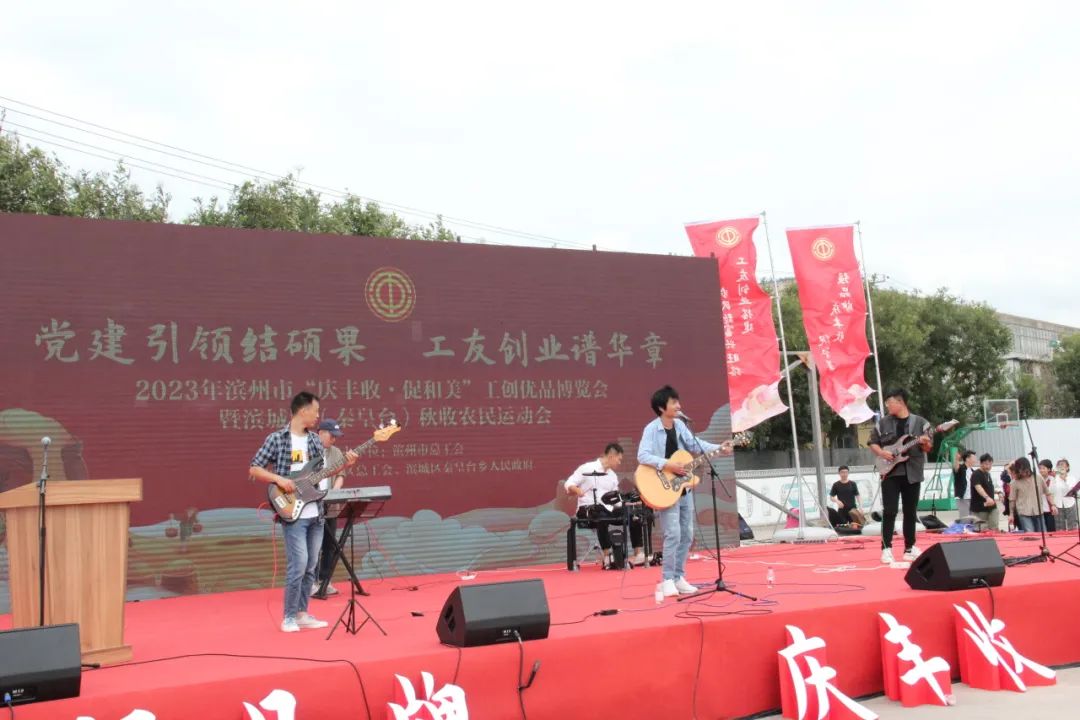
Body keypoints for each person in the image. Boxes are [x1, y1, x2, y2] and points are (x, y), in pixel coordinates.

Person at [250, 392, 338, 632]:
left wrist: (345, 464)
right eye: (315, 411)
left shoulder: (315, 441)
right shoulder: (277, 439)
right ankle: (288, 617)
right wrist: (279, 479)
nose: (318, 416)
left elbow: (320, 473)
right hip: (293, 513)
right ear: (303, 410)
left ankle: (302, 613)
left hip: (315, 512)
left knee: (311, 566)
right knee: (298, 565)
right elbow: (255, 468)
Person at [637, 385, 731, 598]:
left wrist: (720, 448)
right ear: (662, 408)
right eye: (674, 402)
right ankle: (667, 579)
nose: (679, 406)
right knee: (673, 533)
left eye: (678, 402)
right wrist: (668, 465)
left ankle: (678, 577)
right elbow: (642, 455)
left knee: (687, 534)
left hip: (683, 487)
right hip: (663, 487)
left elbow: (696, 445)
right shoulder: (651, 429)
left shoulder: (680, 425)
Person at [868, 388, 932, 564]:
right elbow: (872, 442)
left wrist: (925, 443)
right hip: (890, 473)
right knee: (890, 511)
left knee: (910, 511)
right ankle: (886, 548)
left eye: (889, 402)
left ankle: (909, 548)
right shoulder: (883, 423)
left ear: (900, 402)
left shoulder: (921, 423)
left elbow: (928, 448)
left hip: (913, 471)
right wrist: (882, 453)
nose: (888, 406)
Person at [565, 443, 646, 567]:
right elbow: (569, 483)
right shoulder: (587, 467)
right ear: (611, 456)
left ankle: (638, 554)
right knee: (600, 514)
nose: (619, 462)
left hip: (608, 508)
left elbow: (615, 500)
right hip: (587, 509)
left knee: (633, 515)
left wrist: (627, 504)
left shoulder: (612, 476)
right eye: (619, 459)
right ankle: (607, 555)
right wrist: (577, 490)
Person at [311, 418, 358, 597]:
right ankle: (311, 582)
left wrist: (335, 492)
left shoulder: (336, 452)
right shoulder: (308, 450)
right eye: (332, 436)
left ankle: (325, 580)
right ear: (321, 433)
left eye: (336, 437)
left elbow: (341, 474)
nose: (334, 439)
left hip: (330, 504)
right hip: (311, 503)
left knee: (329, 544)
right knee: (313, 545)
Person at [1010, 457, 1047, 533]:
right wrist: (1011, 514)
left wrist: (1053, 505)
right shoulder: (1015, 482)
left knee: (1043, 533)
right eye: (1020, 470)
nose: (1022, 472)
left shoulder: (1038, 478)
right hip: (1024, 513)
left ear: (1028, 468)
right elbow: (1012, 499)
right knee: (1030, 535)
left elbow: (1048, 493)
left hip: (1038, 511)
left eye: (1023, 470)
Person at [969, 453, 999, 531]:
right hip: (980, 507)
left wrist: (998, 492)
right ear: (981, 463)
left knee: (994, 526)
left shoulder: (988, 474)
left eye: (990, 464)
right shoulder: (976, 474)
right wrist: (987, 497)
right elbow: (978, 487)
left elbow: (988, 488)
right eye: (986, 464)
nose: (988, 466)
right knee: (982, 529)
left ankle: (994, 534)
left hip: (991, 506)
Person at [1055, 459, 1078, 532]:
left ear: (1067, 467)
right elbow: (1051, 490)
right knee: (1059, 527)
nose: (1061, 467)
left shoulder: (1072, 478)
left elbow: (1072, 490)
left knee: (1072, 525)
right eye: (1059, 465)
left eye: (1062, 465)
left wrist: (1065, 480)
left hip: (1070, 503)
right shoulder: (1054, 478)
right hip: (1058, 504)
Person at [953, 450, 977, 519]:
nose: (975, 460)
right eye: (973, 458)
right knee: (965, 518)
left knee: (973, 518)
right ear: (967, 459)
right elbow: (956, 469)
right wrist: (957, 459)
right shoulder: (961, 468)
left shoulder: (973, 471)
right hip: (963, 497)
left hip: (972, 497)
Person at [1037, 460, 1059, 531]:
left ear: (1049, 469)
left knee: (1051, 530)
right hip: (1039, 510)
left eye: (1043, 468)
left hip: (1050, 509)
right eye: (1040, 468)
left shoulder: (1052, 480)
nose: (1041, 470)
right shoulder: (1037, 479)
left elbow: (1052, 492)